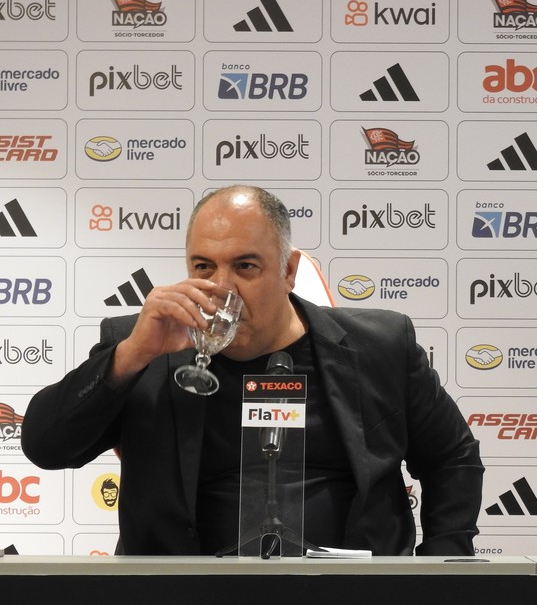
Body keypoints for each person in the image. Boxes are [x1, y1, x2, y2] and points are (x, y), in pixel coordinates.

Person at [21, 185, 483, 556]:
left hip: (351, 603)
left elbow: (452, 458)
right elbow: (45, 446)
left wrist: (442, 570)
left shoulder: (379, 346)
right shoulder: (141, 346)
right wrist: (132, 354)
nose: (222, 287)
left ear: (288, 270)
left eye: (245, 266)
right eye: (203, 265)